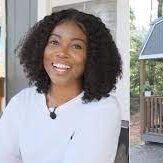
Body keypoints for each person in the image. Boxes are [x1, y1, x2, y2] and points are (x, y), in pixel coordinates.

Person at [0, 9, 122, 163]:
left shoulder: (103, 108)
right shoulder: (21, 102)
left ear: (92, 56)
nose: (62, 53)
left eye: (76, 46)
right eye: (54, 42)